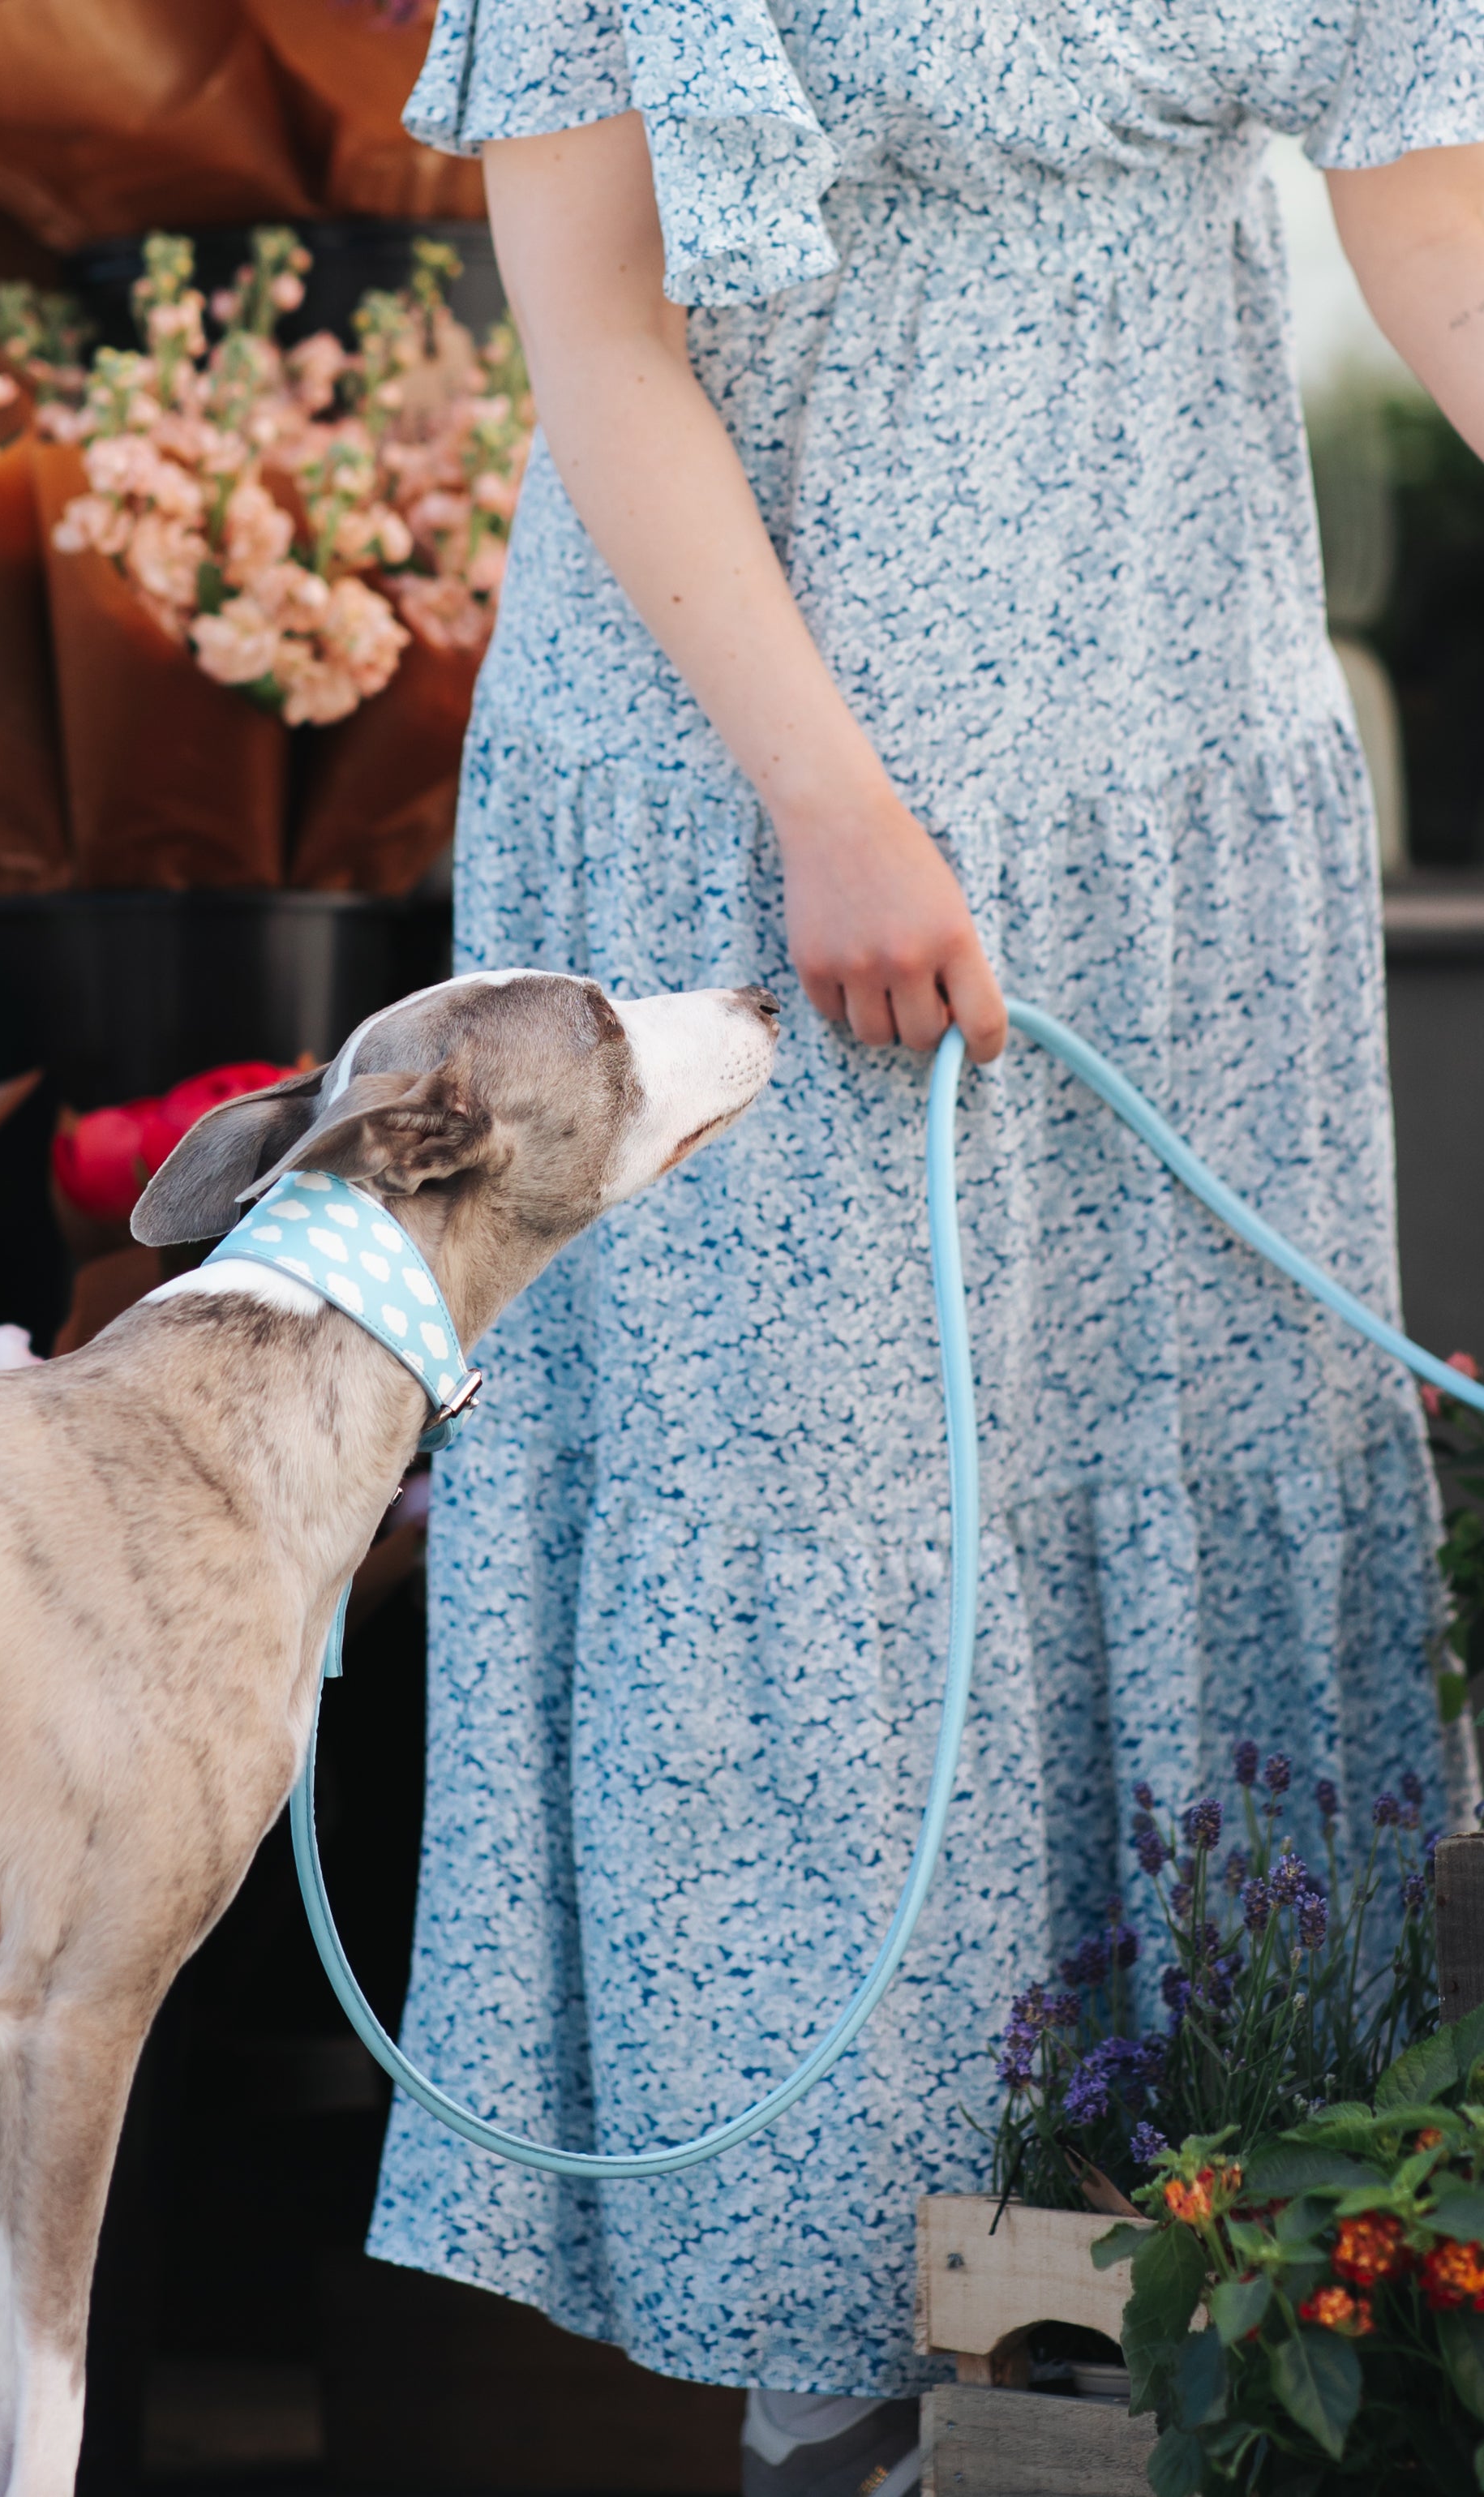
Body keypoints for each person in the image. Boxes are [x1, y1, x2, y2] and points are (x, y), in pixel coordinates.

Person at [367, 6, 1484, 2490]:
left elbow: (1436, 232)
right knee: (839, 1537)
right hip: (740, 780)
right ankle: (837, 2408)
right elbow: (600, 319)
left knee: (1180, 1488)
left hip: (1169, 783)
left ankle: (1179, 2366)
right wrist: (832, 800)